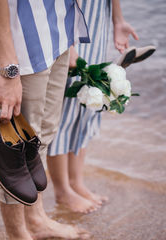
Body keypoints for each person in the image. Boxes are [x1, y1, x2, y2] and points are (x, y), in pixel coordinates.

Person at [0, 0, 91, 240]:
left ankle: (37, 220)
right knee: (13, 150)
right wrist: (8, 69)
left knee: (42, 136)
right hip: (23, 47)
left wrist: (68, 37)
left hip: (57, 33)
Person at [47, 0, 139, 213]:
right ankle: (62, 190)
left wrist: (118, 20)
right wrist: (67, 43)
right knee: (64, 107)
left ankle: (76, 182)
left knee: (89, 100)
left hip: (97, 18)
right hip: (69, 20)